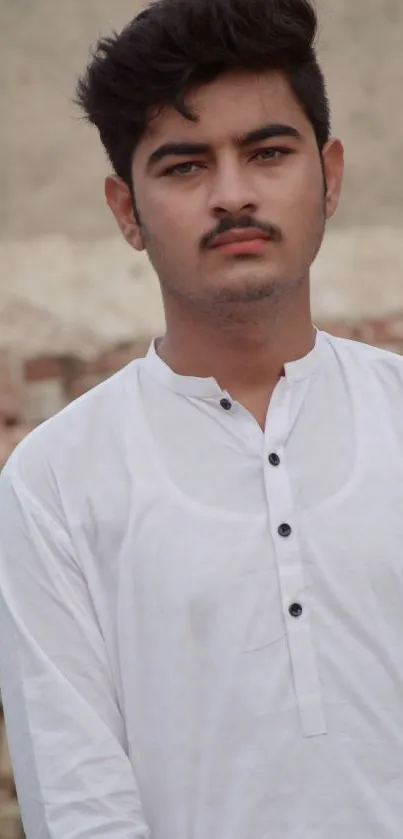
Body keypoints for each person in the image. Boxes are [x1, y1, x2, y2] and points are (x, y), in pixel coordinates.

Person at [1, 0, 403, 836]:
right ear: (126, 209)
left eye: (266, 153)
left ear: (328, 174)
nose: (231, 195)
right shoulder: (53, 484)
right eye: (184, 166)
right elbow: (78, 802)